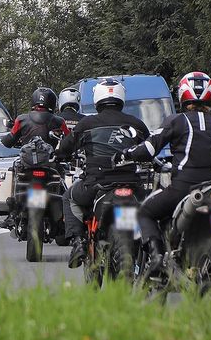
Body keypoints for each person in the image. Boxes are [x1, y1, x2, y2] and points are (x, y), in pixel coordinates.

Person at [121, 71, 211, 271]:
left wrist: (127, 154)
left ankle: (157, 256)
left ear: (182, 95)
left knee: (144, 212)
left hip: (183, 186)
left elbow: (148, 149)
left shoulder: (175, 121)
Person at [56, 78, 150, 268]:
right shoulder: (137, 124)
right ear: (121, 97)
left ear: (97, 98)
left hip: (96, 184)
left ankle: (78, 242)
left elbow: (64, 148)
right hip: (132, 184)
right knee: (150, 211)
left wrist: (58, 154)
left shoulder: (87, 124)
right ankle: (154, 251)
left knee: (68, 197)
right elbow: (150, 149)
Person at [0, 87, 69, 149]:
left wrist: (2, 140)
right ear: (52, 102)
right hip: (50, 160)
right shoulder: (59, 121)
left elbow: (8, 142)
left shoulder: (21, 120)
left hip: (27, 161)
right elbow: (69, 140)